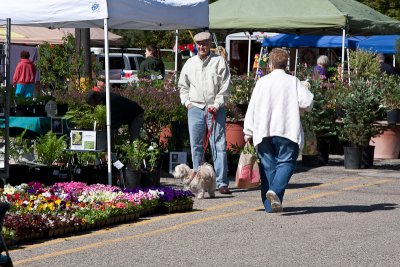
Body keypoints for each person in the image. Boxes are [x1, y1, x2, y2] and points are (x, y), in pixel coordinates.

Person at [243, 48, 314, 213]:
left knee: (268, 167)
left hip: (264, 131)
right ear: (286, 64)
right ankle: (275, 192)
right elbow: (307, 103)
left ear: (270, 63)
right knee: (287, 163)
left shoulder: (262, 82)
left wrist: (248, 131)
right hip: (286, 129)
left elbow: (252, 108)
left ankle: (270, 205)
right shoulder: (293, 81)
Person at [178, 31, 231, 194]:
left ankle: (222, 183)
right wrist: (187, 103)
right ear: (196, 45)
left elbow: (225, 87)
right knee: (196, 146)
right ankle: (197, 181)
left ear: (210, 45)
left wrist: (217, 104)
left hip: (215, 108)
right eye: (199, 44)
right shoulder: (189, 63)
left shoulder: (219, 62)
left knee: (219, 145)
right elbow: (183, 86)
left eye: (205, 44)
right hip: (195, 108)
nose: (202, 47)